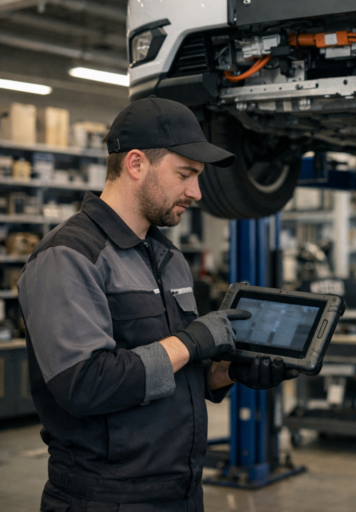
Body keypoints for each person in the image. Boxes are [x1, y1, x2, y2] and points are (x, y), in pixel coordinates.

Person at [19, 97, 297, 512]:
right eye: (185, 174)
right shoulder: (69, 256)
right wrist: (192, 342)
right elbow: (84, 385)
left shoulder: (168, 258)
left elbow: (171, 374)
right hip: (103, 498)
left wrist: (225, 374)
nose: (196, 192)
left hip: (180, 493)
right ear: (135, 164)